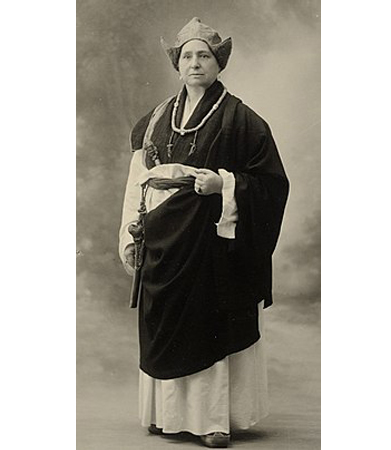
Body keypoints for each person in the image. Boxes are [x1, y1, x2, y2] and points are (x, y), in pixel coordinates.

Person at [118, 17, 288, 448]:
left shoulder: (243, 120)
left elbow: (271, 185)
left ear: (218, 63)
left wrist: (224, 184)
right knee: (165, 322)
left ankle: (213, 421)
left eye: (205, 56)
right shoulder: (156, 119)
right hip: (162, 238)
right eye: (187, 56)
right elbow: (138, 179)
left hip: (210, 244)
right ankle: (166, 415)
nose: (195, 63)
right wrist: (130, 232)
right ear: (177, 64)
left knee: (206, 323)